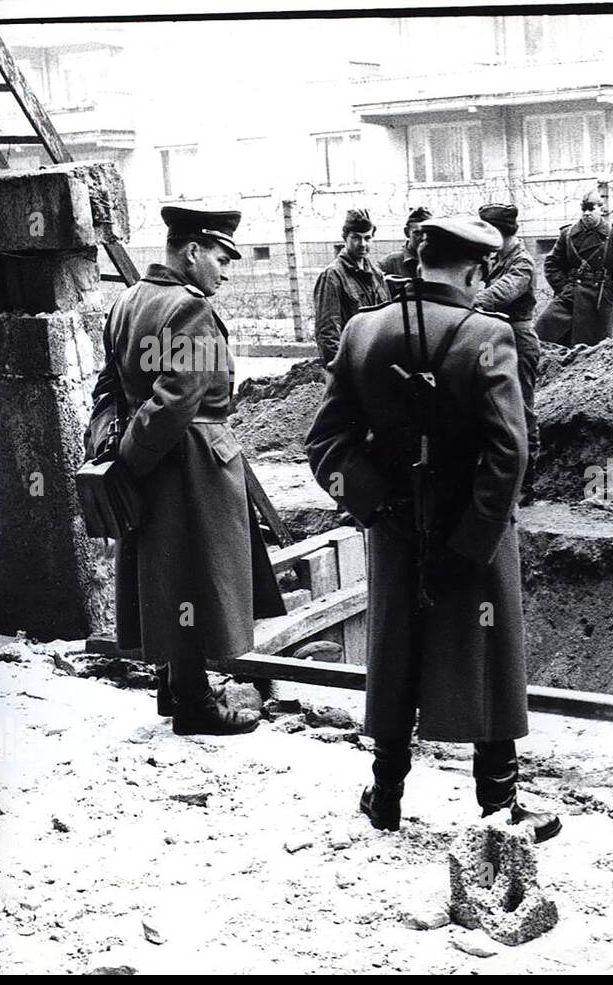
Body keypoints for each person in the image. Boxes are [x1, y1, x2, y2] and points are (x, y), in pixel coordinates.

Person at [305, 216, 560, 843]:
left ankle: (385, 795)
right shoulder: (490, 335)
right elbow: (510, 452)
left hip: (394, 527)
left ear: (419, 259)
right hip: (475, 528)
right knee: (487, 654)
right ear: (476, 270)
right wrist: (472, 541)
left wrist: (375, 506)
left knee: (395, 651)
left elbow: (325, 444)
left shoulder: (364, 329)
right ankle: (500, 805)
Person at [84, 206, 285, 735]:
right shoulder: (189, 309)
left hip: (154, 459)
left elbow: (109, 388)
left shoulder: (127, 300)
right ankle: (196, 705)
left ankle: (175, 688)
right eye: (220, 258)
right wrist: (130, 460)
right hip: (191, 462)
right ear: (193, 252)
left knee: (169, 575)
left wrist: (115, 456)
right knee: (197, 576)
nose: (225, 271)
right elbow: (177, 400)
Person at [475, 203, 541, 501]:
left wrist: (470, 299)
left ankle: (525, 484)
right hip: (492, 338)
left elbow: (503, 292)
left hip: (517, 338)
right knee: (490, 406)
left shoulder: (522, 262)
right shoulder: (497, 258)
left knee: (520, 409)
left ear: (502, 234)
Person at [534, 190, 613, 347]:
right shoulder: (567, 234)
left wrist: (609, 292)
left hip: (598, 302)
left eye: (592, 209)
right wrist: (563, 287)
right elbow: (552, 263)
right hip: (569, 297)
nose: (587, 213)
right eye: (584, 209)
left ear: (601, 210)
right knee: (541, 334)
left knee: (595, 352)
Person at [313, 207, 389, 367]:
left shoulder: (377, 275)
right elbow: (328, 333)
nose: (362, 244)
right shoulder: (333, 276)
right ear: (345, 238)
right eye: (356, 238)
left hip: (377, 362)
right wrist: (340, 370)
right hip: (352, 365)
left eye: (367, 238)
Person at [379, 204, 431, 279]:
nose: (423, 238)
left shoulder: (440, 263)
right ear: (406, 232)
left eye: (428, 233)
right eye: (417, 233)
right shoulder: (389, 264)